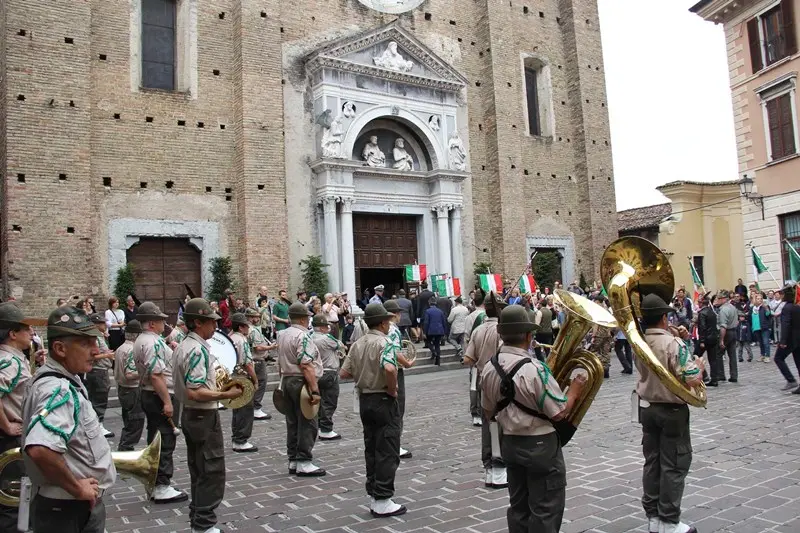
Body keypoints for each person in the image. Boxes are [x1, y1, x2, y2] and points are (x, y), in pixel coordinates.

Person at [480, 305, 585, 533]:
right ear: (528, 336)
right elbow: (559, 412)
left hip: (509, 442)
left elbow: (488, 413)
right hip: (540, 445)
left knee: (518, 505)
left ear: (501, 334)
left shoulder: (489, 368)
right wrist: (575, 390)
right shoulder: (535, 369)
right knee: (546, 506)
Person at [21, 305, 116, 533]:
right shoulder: (60, 389)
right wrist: (77, 489)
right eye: (86, 344)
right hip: (68, 509)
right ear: (60, 348)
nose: (95, 350)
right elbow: (40, 449)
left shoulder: (59, 379)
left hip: (63, 506)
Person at [173, 298, 243, 533]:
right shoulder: (197, 349)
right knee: (211, 470)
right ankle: (203, 524)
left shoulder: (184, 345)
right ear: (197, 323)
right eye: (211, 322)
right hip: (202, 416)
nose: (215, 327)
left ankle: (198, 519)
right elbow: (196, 391)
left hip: (191, 415)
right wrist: (225, 394)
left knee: (199, 469)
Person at [635, 294, 703, 533]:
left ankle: (653, 518)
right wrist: (700, 365)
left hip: (647, 408)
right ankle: (670, 521)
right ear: (665, 318)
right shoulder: (673, 344)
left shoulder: (639, 341)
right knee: (674, 464)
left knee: (652, 463)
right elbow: (691, 377)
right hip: (672, 410)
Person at [340, 303, 407, 518]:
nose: (389, 325)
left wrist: (364, 375)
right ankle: (383, 498)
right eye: (387, 321)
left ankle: (374, 492)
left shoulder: (357, 344)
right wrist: (392, 388)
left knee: (371, 448)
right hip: (382, 398)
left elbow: (344, 373)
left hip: (365, 399)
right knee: (387, 449)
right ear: (381, 323)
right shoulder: (385, 342)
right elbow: (389, 367)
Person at [133, 301, 188, 503]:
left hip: (149, 393)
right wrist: (167, 402)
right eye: (160, 321)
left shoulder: (142, 340)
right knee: (165, 439)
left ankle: (155, 482)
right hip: (159, 394)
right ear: (151, 323)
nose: (164, 324)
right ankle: (161, 485)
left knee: (155, 438)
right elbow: (156, 376)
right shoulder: (152, 342)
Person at [0, 303, 45, 530]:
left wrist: (35, 364)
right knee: (13, 499)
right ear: (13, 333)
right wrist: (7, 425)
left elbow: (18, 389)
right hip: (10, 436)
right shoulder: (9, 360)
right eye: (27, 329)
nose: (32, 333)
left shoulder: (14, 357)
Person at [463, 292, 508, 488]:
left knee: (487, 425)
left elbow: (468, 359)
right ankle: (499, 470)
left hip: (482, 380)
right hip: (499, 382)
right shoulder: (502, 330)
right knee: (500, 424)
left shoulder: (478, 330)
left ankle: (489, 468)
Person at [277, 302, 325, 476]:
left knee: (292, 421)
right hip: (300, 381)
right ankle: (304, 460)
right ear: (305, 319)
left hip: (287, 379)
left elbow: (279, 362)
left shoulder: (282, 334)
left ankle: (293, 459)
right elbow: (306, 365)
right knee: (308, 421)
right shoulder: (303, 336)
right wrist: (314, 390)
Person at [383, 300, 414, 459]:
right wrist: (407, 363)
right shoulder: (393, 330)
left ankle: (385, 443)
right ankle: (395, 444)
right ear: (395, 315)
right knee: (397, 409)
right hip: (393, 369)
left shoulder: (378, 328)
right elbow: (395, 352)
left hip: (380, 370)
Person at [229, 313, 259, 452]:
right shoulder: (242, 340)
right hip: (243, 377)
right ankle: (241, 439)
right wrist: (255, 380)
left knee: (237, 409)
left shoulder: (230, 338)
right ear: (241, 327)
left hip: (232, 377)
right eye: (246, 325)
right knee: (246, 409)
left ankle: (236, 437)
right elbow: (248, 363)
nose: (248, 328)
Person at [114, 319, 145, 451]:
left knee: (129, 422)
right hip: (132, 390)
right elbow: (130, 374)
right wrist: (145, 372)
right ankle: (125, 449)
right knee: (135, 422)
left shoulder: (121, 348)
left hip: (124, 390)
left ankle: (125, 448)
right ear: (137, 335)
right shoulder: (132, 350)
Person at [311, 314, 343, 441]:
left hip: (315, 372)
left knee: (318, 400)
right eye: (326, 326)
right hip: (329, 371)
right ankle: (326, 429)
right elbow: (340, 345)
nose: (328, 328)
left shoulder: (309, 336)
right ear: (322, 327)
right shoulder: (326, 338)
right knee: (329, 401)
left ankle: (319, 425)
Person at [84, 312, 115, 438]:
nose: (105, 325)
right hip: (98, 371)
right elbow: (92, 356)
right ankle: (98, 425)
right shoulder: (94, 338)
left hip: (100, 370)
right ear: (96, 324)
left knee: (98, 398)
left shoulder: (99, 336)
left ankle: (96, 424)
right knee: (99, 399)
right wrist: (107, 355)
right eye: (102, 323)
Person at [247, 308, 276, 420]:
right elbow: (257, 347)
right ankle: (256, 408)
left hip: (254, 360)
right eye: (255, 317)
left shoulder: (249, 329)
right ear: (250, 318)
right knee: (261, 383)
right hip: (257, 359)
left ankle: (252, 407)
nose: (258, 318)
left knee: (256, 383)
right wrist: (271, 347)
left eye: (258, 316)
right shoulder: (253, 330)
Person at [774, 284, 800, 392]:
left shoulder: (786, 308)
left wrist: (783, 341)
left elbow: (786, 325)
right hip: (798, 338)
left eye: (782, 293)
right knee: (799, 361)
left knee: (778, 358)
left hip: (790, 339)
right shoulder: (797, 307)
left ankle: (791, 380)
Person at [696, 293, 720, 387]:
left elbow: (702, 328)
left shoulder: (702, 313)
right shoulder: (712, 312)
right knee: (713, 359)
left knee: (695, 356)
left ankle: (702, 376)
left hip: (705, 339)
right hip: (713, 338)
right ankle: (714, 379)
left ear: (702, 303)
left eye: (699, 302)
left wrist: (701, 341)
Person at [716, 290, 739, 383]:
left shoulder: (723, 309)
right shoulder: (733, 307)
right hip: (733, 331)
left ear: (724, 299)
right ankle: (734, 375)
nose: (718, 300)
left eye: (719, 298)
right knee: (732, 355)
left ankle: (721, 375)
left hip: (726, 332)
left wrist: (721, 340)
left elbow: (723, 326)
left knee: (718, 354)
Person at [422, 297, 447, 366]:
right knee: (437, 345)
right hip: (439, 330)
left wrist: (424, 332)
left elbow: (426, 322)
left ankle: (433, 352)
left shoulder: (427, 311)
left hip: (431, 330)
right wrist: (445, 332)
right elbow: (444, 322)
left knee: (428, 342)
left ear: (429, 303)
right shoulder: (440, 311)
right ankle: (438, 360)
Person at [751, 294, 772, 362]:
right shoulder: (753, 308)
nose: (759, 300)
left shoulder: (764, 307)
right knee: (761, 343)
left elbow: (768, 315)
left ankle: (767, 356)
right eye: (758, 299)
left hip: (764, 327)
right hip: (756, 328)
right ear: (755, 300)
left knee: (766, 342)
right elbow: (750, 317)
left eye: (761, 299)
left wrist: (766, 309)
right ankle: (762, 355)